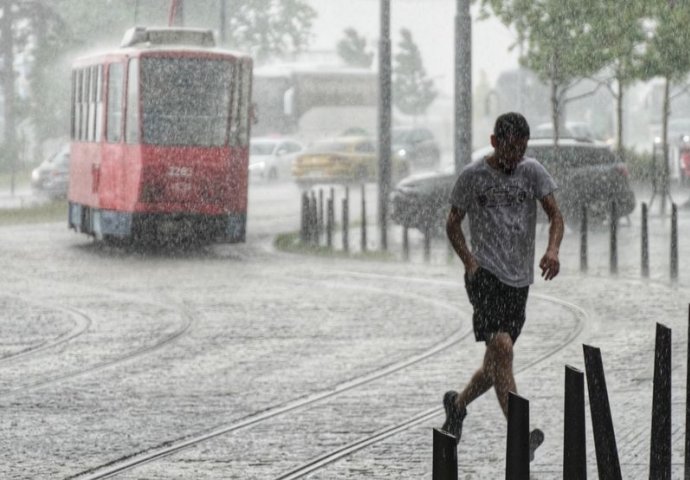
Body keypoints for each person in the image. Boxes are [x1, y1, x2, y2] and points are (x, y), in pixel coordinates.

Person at [441, 112, 564, 460]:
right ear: (495, 142)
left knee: (495, 363)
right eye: (510, 150)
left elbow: (556, 214)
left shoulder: (533, 171)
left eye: (521, 151)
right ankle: (520, 436)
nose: (515, 158)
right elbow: (452, 223)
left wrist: (552, 249)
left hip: (519, 280)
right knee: (504, 349)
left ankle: (458, 405)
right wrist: (469, 261)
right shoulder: (473, 177)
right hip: (486, 276)